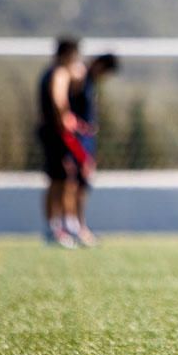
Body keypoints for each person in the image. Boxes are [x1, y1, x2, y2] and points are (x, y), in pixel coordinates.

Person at [37, 37, 90, 248]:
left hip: (50, 132)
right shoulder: (59, 72)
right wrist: (67, 119)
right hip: (57, 133)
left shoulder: (49, 72)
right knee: (61, 180)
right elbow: (59, 98)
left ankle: (58, 227)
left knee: (58, 179)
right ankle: (56, 228)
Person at [68, 52, 120, 247]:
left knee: (83, 183)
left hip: (87, 140)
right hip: (77, 139)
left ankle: (79, 227)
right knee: (75, 183)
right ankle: (72, 227)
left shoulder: (89, 82)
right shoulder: (79, 77)